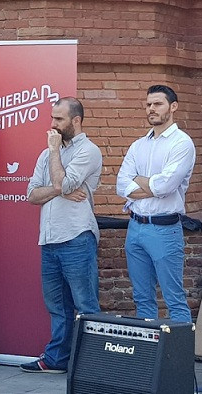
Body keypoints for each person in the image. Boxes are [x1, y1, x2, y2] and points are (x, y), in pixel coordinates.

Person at [21, 97, 102, 373]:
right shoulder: (45, 155)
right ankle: (57, 360)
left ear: (75, 121)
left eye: (59, 119)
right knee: (57, 306)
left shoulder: (88, 151)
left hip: (77, 237)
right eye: (52, 118)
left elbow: (61, 181)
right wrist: (61, 190)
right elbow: (31, 195)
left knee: (85, 304)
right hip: (49, 239)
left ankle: (91, 364)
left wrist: (57, 170)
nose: (52, 124)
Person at [116, 85, 195, 323]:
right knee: (142, 298)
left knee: (174, 299)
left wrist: (140, 183)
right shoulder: (139, 145)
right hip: (135, 228)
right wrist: (151, 186)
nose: (151, 108)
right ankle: (148, 357)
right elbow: (121, 184)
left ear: (173, 107)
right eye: (148, 104)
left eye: (157, 104)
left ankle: (178, 360)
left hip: (164, 230)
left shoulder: (182, 144)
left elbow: (166, 186)